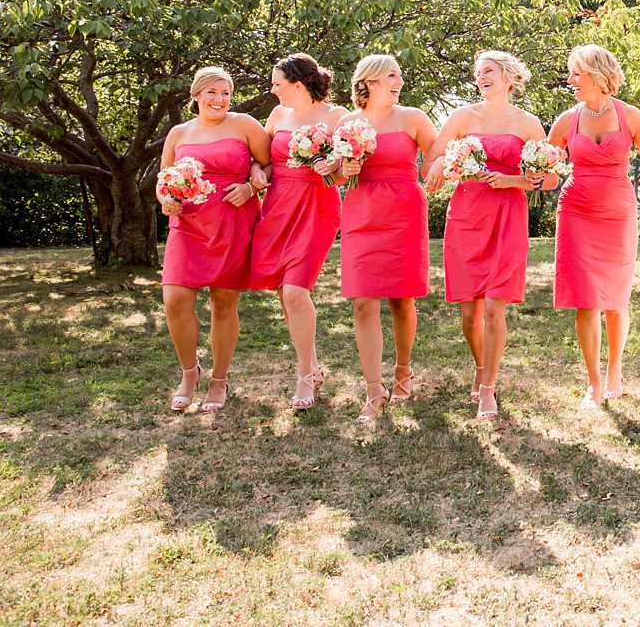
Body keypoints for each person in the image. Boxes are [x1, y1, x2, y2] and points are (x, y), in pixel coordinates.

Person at [425, 50, 552, 421]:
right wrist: (441, 166)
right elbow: (434, 157)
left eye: (489, 71)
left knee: (496, 309)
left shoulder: (528, 124)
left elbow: (548, 176)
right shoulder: (463, 117)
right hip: (466, 216)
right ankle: (482, 367)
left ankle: (488, 388)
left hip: (507, 217)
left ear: (509, 77)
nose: (481, 77)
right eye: (478, 72)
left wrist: (512, 180)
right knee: (470, 315)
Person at [159, 65, 269, 414]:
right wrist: (166, 199)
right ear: (196, 95)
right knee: (175, 299)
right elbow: (164, 178)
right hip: (188, 225)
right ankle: (190, 373)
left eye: (225, 93)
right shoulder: (178, 133)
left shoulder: (245, 125)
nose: (219, 99)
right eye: (212, 92)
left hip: (232, 222)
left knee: (223, 303)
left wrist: (251, 185)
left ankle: (219, 380)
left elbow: (271, 167)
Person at [547, 45, 640, 410]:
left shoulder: (630, 116)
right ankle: (592, 382)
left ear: (596, 74)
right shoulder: (566, 120)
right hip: (576, 210)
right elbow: (545, 166)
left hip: (618, 212)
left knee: (615, 299)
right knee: (585, 300)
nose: (571, 81)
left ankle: (615, 371)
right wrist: (538, 172)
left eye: (576, 73)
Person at [337, 53, 435, 425]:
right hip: (362, 212)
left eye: (400, 76)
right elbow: (335, 178)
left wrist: (440, 168)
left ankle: (403, 370)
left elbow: (438, 153)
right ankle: (374, 390)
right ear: (371, 81)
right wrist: (342, 168)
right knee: (362, 302)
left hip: (405, 212)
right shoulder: (347, 123)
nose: (399, 82)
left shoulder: (413, 118)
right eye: (392, 76)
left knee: (401, 299)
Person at [250, 53, 346, 410]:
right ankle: (312, 365)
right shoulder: (278, 115)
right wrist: (256, 173)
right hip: (277, 205)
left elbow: (345, 172)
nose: (272, 90)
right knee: (283, 290)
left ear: (298, 84)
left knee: (294, 290)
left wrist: (332, 166)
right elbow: (262, 158)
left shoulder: (337, 116)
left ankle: (304, 375)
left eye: (277, 84)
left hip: (317, 204)